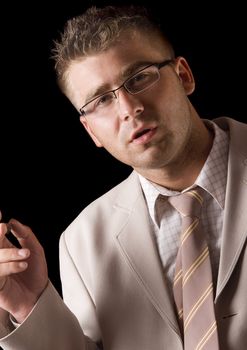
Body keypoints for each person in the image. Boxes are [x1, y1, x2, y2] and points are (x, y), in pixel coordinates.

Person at [0, 5, 246, 350]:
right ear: (90, 132)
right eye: (101, 100)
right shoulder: (82, 241)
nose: (129, 108)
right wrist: (29, 307)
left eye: (140, 77)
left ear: (184, 75)